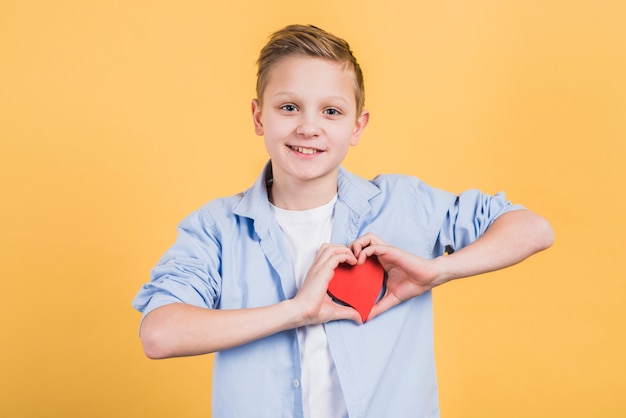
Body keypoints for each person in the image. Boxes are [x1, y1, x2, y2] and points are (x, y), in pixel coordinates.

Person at [132, 24, 554, 418]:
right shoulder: (216, 228)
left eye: (331, 111)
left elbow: (533, 229)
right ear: (260, 117)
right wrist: (296, 310)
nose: (308, 127)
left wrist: (437, 270)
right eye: (289, 107)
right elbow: (160, 333)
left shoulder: (405, 205)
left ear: (358, 125)